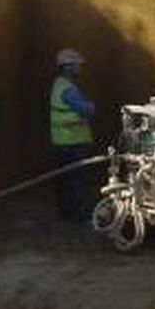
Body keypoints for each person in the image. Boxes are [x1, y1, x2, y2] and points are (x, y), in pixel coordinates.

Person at [49, 47, 97, 220]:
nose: (80, 68)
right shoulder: (69, 90)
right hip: (73, 143)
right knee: (78, 182)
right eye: (77, 65)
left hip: (61, 143)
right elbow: (86, 111)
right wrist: (91, 107)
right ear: (68, 67)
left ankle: (66, 213)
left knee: (65, 181)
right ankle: (80, 216)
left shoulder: (58, 84)